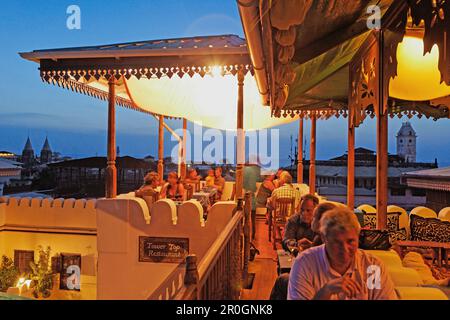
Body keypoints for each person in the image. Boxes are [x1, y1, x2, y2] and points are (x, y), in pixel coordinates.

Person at [288, 206, 398, 300]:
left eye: (350, 241)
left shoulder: (371, 268)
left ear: (358, 238)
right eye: (336, 242)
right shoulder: (305, 264)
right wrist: (325, 292)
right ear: (324, 238)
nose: (344, 249)